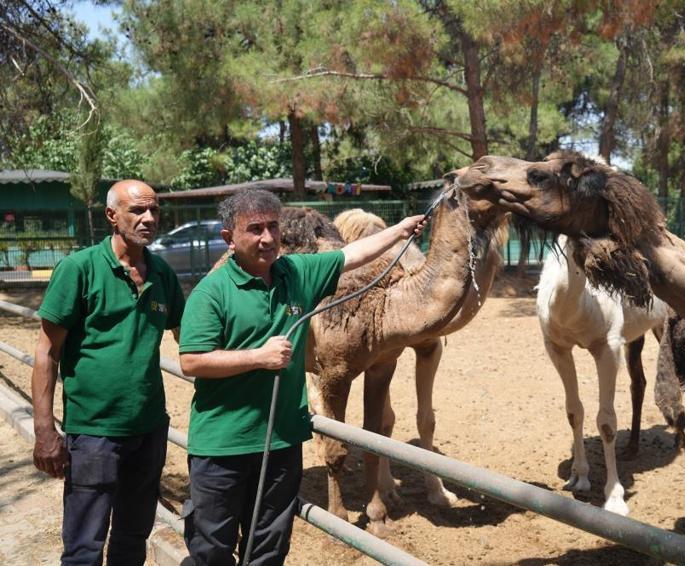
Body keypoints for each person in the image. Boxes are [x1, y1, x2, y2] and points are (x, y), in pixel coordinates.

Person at [179, 188, 426, 565]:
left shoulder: (295, 273)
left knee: (268, 550)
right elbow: (192, 361)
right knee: (212, 550)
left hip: (281, 445)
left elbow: (352, 254)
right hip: (222, 448)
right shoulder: (211, 293)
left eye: (272, 228)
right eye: (255, 229)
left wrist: (401, 229)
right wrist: (258, 358)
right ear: (229, 238)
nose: (266, 238)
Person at [31, 180, 185, 566]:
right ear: (112, 216)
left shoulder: (162, 274)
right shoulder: (79, 270)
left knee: (133, 538)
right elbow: (47, 352)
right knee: (84, 546)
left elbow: (191, 340)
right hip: (95, 432)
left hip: (148, 428)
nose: (149, 218)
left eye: (154, 211)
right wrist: (45, 430)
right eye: (138, 211)